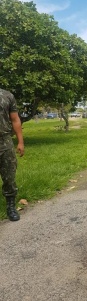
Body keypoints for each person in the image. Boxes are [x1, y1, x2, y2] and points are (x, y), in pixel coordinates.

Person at [0, 88, 24, 221]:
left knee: (9, 176)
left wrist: (20, 142)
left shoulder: (7, 96)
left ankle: (10, 206)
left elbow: (15, 119)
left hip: (4, 141)